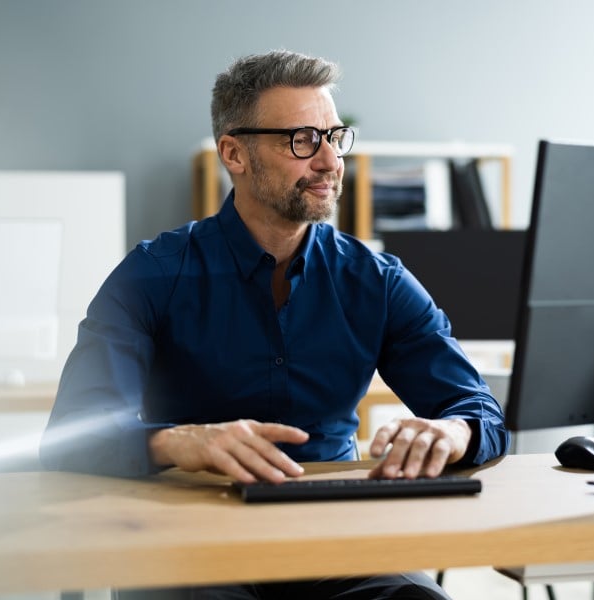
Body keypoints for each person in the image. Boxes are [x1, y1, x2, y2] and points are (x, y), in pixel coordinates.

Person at [40, 50, 509, 600]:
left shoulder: (377, 281)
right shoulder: (152, 274)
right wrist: (176, 442)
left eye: (335, 137)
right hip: (189, 537)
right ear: (234, 154)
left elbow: (480, 413)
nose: (331, 162)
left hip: (335, 541)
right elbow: (71, 438)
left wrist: (452, 431)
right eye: (303, 140)